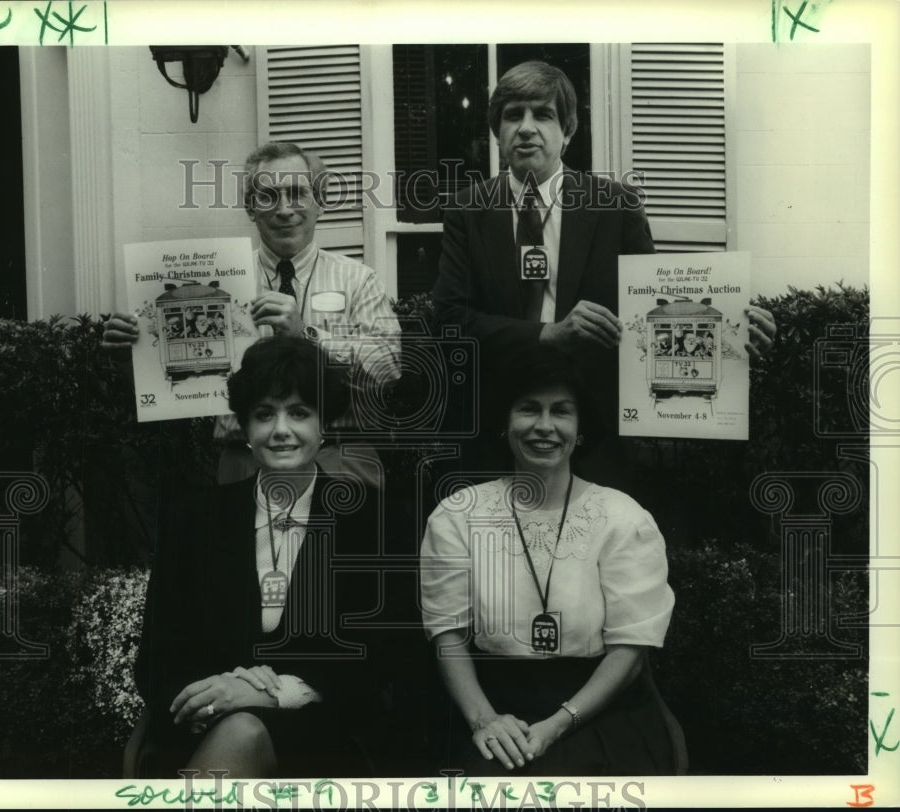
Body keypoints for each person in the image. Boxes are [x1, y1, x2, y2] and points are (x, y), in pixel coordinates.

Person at [431, 60, 775, 484]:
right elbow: (448, 322)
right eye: (512, 115)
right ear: (496, 130)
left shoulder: (616, 205)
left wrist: (731, 335)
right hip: (493, 432)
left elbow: (654, 308)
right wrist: (546, 334)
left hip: (596, 436)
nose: (525, 127)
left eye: (543, 114)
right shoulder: (468, 210)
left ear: (568, 131)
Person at [419, 347, 677, 775]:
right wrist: (484, 720)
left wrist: (558, 724)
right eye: (528, 409)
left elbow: (631, 648)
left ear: (580, 429)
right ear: (504, 424)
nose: (544, 426)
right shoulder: (457, 516)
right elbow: (447, 635)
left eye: (561, 411)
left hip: (598, 712)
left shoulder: (623, 518)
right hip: (492, 710)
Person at [134, 336, 383, 777]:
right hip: (203, 724)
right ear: (245, 427)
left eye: (299, 413)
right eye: (265, 414)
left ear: (324, 424)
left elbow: (383, 657)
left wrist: (270, 694)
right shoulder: (193, 518)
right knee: (239, 731)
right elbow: (157, 660)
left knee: (245, 730)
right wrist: (216, 698)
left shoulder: (371, 519)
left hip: (327, 731)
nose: (281, 430)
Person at [103, 141, 401, 486]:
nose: (284, 209)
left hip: (341, 461)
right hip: (245, 464)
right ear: (250, 208)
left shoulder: (357, 280)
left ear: (319, 202)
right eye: (268, 196)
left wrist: (306, 336)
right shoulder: (214, 283)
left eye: (297, 193)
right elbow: (176, 388)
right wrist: (138, 354)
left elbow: (388, 369)